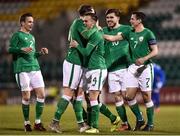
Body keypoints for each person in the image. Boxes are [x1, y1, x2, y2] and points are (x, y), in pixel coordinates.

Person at [104, 11, 158, 131]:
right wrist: (98, 34)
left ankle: (150, 124)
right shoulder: (129, 32)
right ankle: (140, 119)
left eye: (132, 19)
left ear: (139, 21)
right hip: (133, 67)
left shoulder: (148, 33)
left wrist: (144, 58)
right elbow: (113, 38)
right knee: (128, 96)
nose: (130, 21)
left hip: (145, 68)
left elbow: (155, 51)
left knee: (146, 97)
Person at [48, 5, 97, 133]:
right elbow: (88, 36)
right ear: (86, 13)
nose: (94, 15)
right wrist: (97, 27)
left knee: (78, 94)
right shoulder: (80, 23)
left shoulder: (81, 23)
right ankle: (54, 122)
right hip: (73, 62)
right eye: (92, 13)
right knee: (69, 93)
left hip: (80, 63)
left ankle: (81, 124)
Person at [8, 13, 48, 132]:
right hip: (22, 69)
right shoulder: (17, 35)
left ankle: (38, 122)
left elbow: (32, 54)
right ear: (22, 23)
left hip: (35, 68)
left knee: (41, 95)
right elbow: (10, 49)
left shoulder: (32, 37)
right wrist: (21, 49)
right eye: (29, 22)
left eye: (32, 22)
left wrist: (40, 53)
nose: (32, 24)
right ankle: (26, 123)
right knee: (26, 97)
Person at [70, 13, 107, 133]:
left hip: (98, 68)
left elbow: (86, 52)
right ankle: (91, 124)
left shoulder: (96, 34)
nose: (84, 23)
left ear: (93, 22)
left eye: (86, 21)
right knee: (89, 97)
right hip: (91, 69)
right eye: (83, 21)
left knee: (93, 98)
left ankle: (95, 127)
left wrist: (76, 45)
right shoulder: (94, 32)